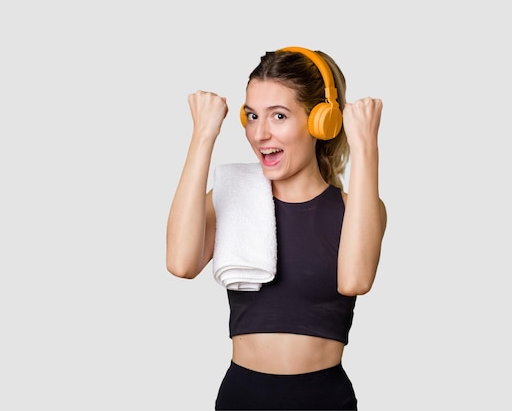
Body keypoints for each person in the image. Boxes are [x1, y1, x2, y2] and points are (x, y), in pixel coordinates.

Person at [165, 46, 387, 410]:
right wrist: (202, 137)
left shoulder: (356, 208)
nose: (259, 134)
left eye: (279, 116)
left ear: (322, 123)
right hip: (242, 398)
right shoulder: (231, 196)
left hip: (324, 400)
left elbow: (355, 280)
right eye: (252, 116)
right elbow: (180, 263)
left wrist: (366, 148)